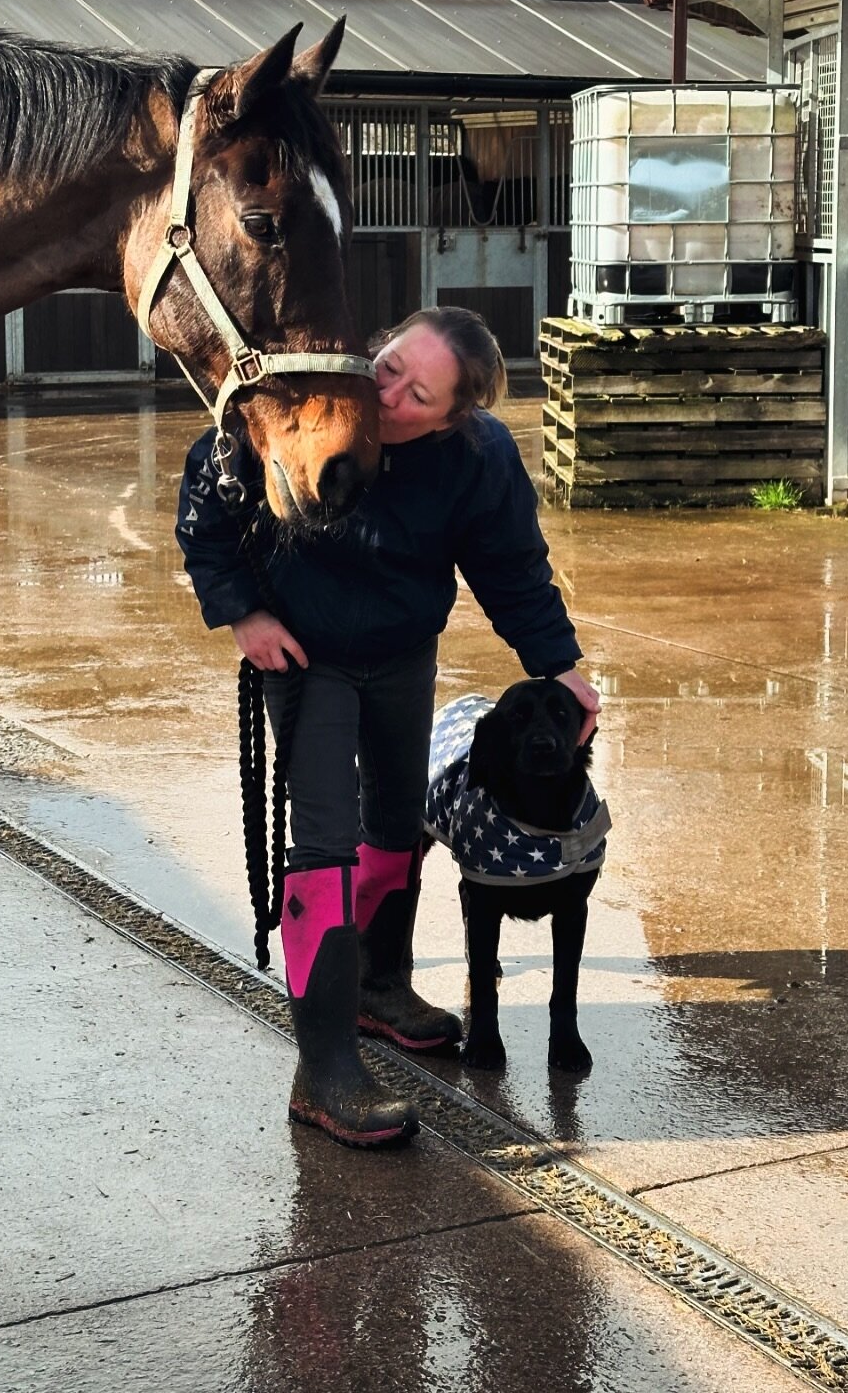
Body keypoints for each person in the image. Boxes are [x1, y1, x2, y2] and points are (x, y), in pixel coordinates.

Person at [176, 306, 598, 1149]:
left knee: (398, 820)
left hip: (402, 651)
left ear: (453, 417)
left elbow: (511, 567)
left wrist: (559, 663)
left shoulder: (477, 460)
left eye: (420, 393)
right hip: (305, 655)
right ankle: (324, 1070)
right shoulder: (306, 398)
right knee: (326, 840)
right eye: (393, 365)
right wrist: (243, 617)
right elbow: (207, 506)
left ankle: (380, 985)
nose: (392, 393)